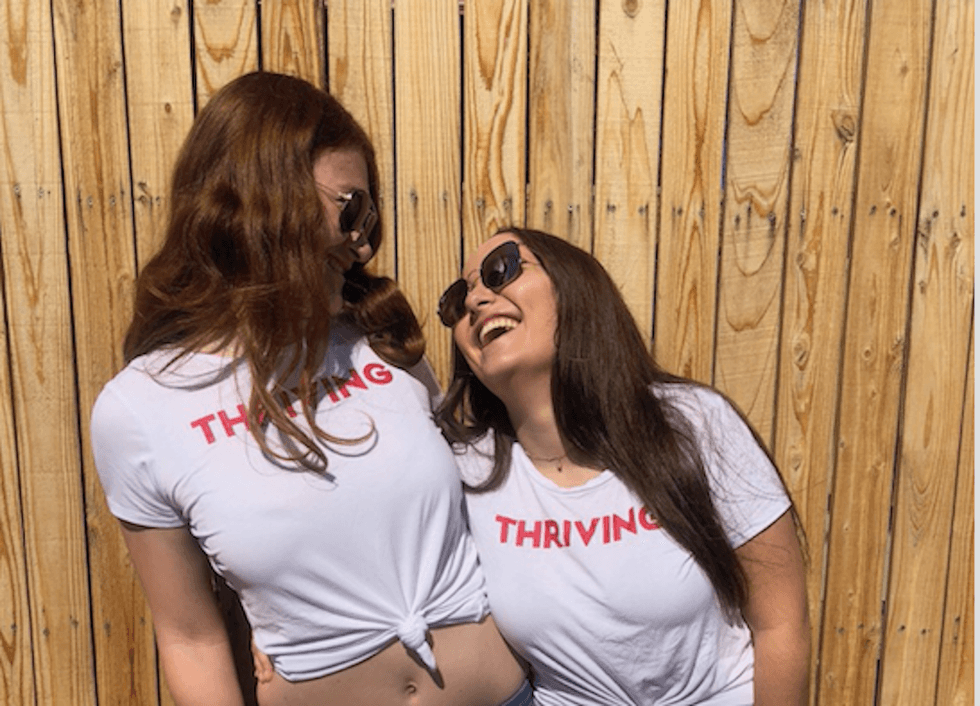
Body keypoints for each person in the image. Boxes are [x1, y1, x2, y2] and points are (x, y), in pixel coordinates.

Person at [90, 71, 530, 706]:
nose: (362, 241)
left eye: (369, 214)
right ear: (262, 199)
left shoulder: (378, 336)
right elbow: (189, 637)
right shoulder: (140, 409)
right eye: (350, 207)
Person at [433, 227, 810, 705]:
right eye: (458, 298)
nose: (475, 300)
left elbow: (781, 624)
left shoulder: (692, 423)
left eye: (501, 269)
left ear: (573, 286)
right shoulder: (464, 470)